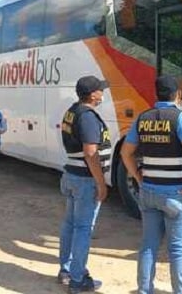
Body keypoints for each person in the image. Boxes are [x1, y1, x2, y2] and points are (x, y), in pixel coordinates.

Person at [120, 75, 182, 294]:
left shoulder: (143, 118)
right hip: (176, 194)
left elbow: (126, 153)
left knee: (148, 246)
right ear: (178, 95)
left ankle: (144, 290)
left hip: (148, 192)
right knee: (178, 251)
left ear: (156, 94)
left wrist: (138, 177)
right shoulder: (181, 118)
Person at [58, 75, 111, 293]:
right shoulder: (87, 117)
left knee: (70, 224)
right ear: (92, 95)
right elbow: (90, 153)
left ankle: (66, 270)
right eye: (100, 90)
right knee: (82, 228)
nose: (103, 93)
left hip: (72, 176)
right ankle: (78, 279)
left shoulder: (72, 111)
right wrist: (101, 183)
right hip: (85, 180)